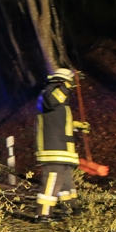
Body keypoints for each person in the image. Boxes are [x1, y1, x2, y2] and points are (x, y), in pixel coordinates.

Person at [34, 68, 90, 223]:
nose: (70, 90)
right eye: (68, 84)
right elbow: (53, 100)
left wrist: (78, 126)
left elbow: (60, 124)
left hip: (62, 149)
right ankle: (43, 214)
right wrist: (67, 84)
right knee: (52, 180)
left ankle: (70, 208)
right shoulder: (48, 93)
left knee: (66, 181)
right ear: (60, 82)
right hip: (53, 149)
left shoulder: (61, 104)